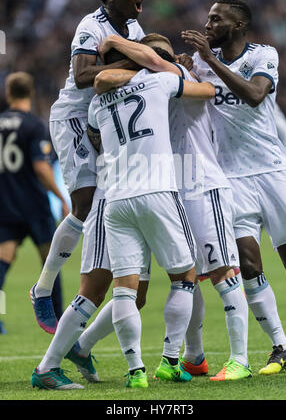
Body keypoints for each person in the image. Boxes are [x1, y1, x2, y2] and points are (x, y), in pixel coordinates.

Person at [31, 39, 216, 390]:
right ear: (143, 58)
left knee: (130, 292)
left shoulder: (97, 101)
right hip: (153, 192)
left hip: (116, 197)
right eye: (160, 54)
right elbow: (206, 90)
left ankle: (129, 369)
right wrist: (178, 66)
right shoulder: (160, 81)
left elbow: (96, 133)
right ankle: (167, 360)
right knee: (173, 279)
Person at [182, 0, 286, 374]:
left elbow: (253, 95)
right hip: (230, 177)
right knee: (248, 264)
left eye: (217, 18)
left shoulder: (262, 55)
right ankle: (281, 348)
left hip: (272, 171)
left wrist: (210, 63)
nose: (208, 23)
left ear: (239, 24)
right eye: (208, 16)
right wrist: (187, 71)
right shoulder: (200, 62)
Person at [29, 0, 145, 335]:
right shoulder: (91, 25)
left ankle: (82, 333)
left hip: (106, 120)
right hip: (75, 118)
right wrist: (139, 61)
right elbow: (83, 76)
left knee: (110, 202)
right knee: (84, 201)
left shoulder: (136, 33)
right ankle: (43, 287)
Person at [0, 72, 68, 334]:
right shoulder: (33, 125)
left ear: (9, 93)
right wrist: (61, 197)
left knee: (4, 258)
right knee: (51, 261)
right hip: (34, 204)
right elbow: (41, 167)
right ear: (31, 93)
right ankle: (60, 319)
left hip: (6, 203)